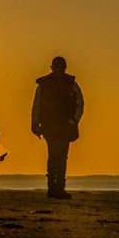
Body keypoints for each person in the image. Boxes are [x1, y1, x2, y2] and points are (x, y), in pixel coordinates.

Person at [31, 56, 84, 199]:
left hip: (60, 126)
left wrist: (72, 122)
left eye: (61, 68)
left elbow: (80, 104)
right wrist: (35, 124)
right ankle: (56, 188)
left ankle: (55, 188)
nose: (60, 71)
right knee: (58, 156)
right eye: (59, 68)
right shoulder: (63, 84)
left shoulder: (68, 84)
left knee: (57, 156)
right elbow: (38, 105)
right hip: (55, 126)